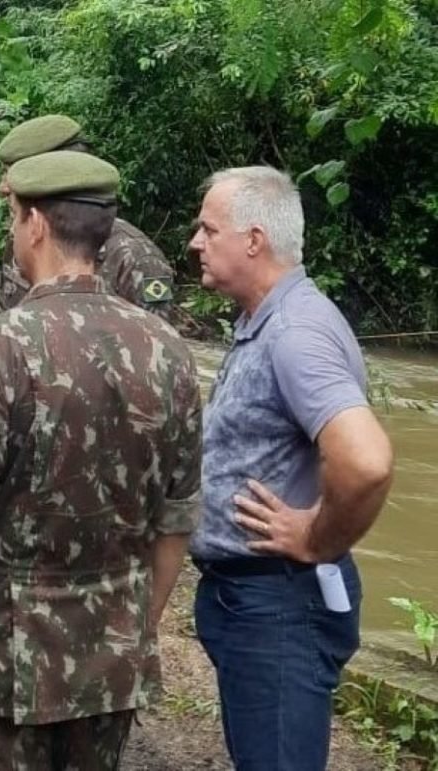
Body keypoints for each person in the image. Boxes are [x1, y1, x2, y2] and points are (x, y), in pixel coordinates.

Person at [0, 151, 202, 770]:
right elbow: (176, 520)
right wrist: (136, 628)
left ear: (34, 225)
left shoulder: (2, 344)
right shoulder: (169, 349)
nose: (11, 232)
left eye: (12, 217)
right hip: (112, 658)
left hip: (3, 659)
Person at [187, 166, 394, 771]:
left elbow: (367, 460)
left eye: (208, 229)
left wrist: (316, 536)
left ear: (253, 240)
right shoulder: (266, 319)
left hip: (280, 604)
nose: (196, 242)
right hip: (254, 600)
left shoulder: (297, 333)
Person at [0, 115, 177, 318]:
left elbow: (159, 342)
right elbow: (3, 312)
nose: (2, 187)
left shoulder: (137, 260)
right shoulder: (23, 236)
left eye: (15, 175)